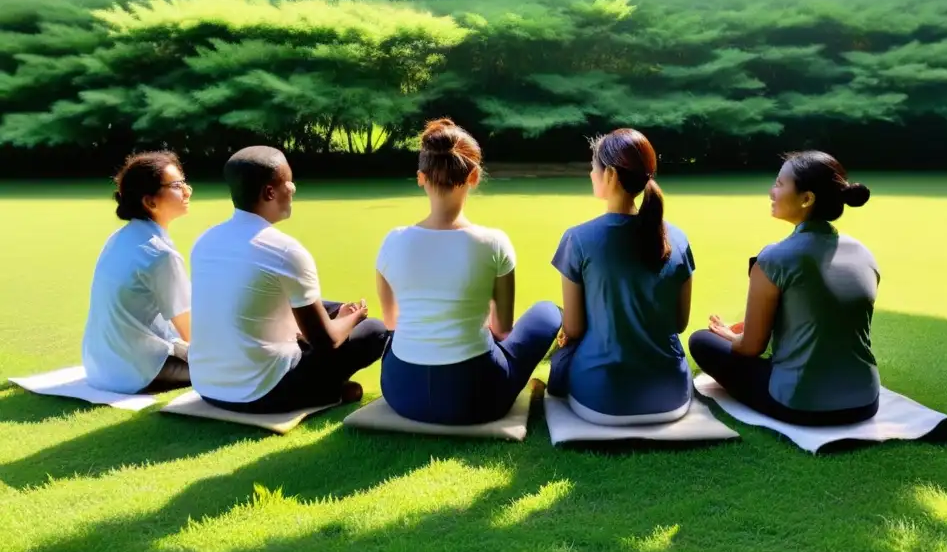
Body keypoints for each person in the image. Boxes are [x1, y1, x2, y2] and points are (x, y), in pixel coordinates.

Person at [376, 118, 561, 425]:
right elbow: (502, 329)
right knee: (548, 312)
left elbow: (392, 322)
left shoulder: (392, 241)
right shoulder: (493, 242)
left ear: (421, 177)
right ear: (474, 175)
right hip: (475, 397)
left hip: (401, 392)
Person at [188, 146, 387, 414]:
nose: (293, 189)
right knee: (373, 330)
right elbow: (327, 342)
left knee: (325, 306)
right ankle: (327, 391)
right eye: (289, 183)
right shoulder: (284, 251)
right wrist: (353, 317)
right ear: (270, 192)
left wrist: (335, 316)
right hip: (261, 393)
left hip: (207, 386)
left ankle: (325, 383)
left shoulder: (205, 240)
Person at [689, 150, 880, 426]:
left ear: (806, 198)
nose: (771, 192)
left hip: (801, 403)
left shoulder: (774, 258)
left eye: (779, 184)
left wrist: (727, 336)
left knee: (701, 341)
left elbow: (750, 348)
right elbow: (826, 315)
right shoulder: (864, 253)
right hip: (865, 401)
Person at [546, 129, 696, 426]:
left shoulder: (578, 239)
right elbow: (679, 323)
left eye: (593, 167)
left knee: (560, 347)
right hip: (672, 395)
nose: (591, 173)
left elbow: (573, 329)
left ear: (611, 174)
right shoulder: (676, 238)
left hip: (602, 398)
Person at [82, 151, 193, 394]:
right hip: (138, 372)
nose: (187, 191)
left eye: (184, 183)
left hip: (98, 367)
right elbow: (190, 332)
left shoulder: (119, 238)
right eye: (177, 185)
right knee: (233, 365)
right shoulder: (159, 253)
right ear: (150, 201)